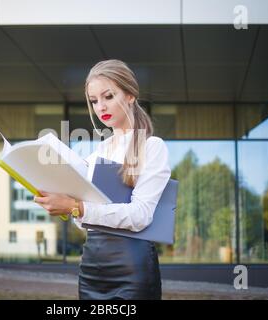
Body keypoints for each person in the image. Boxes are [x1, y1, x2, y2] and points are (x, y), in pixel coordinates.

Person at [34, 59, 171, 300]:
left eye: (108, 96)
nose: (101, 107)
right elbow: (85, 221)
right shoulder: (97, 154)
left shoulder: (152, 146)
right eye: (94, 100)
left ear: (130, 95)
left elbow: (140, 216)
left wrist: (78, 207)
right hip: (92, 267)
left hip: (132, 269)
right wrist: (68, 204)